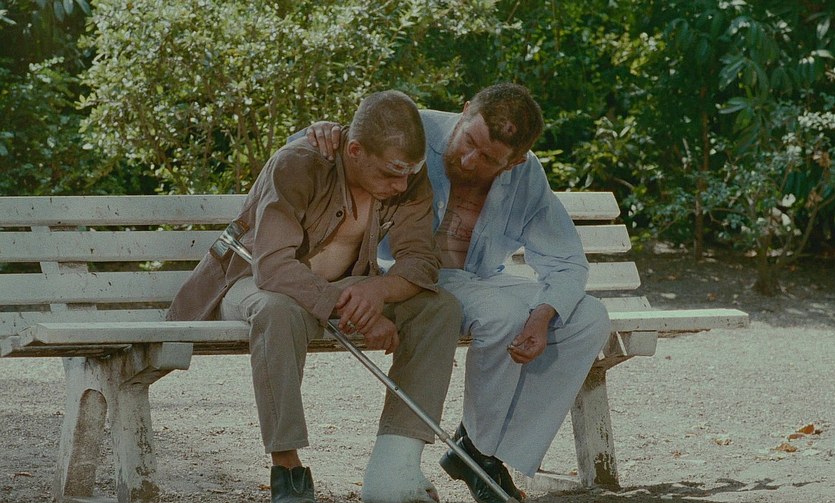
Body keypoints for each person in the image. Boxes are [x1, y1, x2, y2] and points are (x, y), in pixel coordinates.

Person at [303, 83, 612, 503]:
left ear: (514, 161)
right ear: (465, 111)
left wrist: (543, 315)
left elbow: (566, 262)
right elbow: (347, 144)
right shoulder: (415, 129)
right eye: (469, 141)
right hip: (406, 278)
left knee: (588, 317)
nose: (469, 161)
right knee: (502, 314)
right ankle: (477, 455)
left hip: (476, 278)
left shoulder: (526, 175)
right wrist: (320, 131)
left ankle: (482, 448)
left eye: (488, 159)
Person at [167, 90, 462, 503]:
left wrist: (377, 291)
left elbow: (420, 261)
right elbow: (273, 266)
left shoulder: (407, 177)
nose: (401, 185)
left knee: (439, 307)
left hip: (337, 287)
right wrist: (357, 308)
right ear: (355, 151)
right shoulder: (298, 164)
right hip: (252, 282)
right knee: (277, 310)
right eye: (390, 174)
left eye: (407, 174)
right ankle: (287, 468)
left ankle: (394, 467)